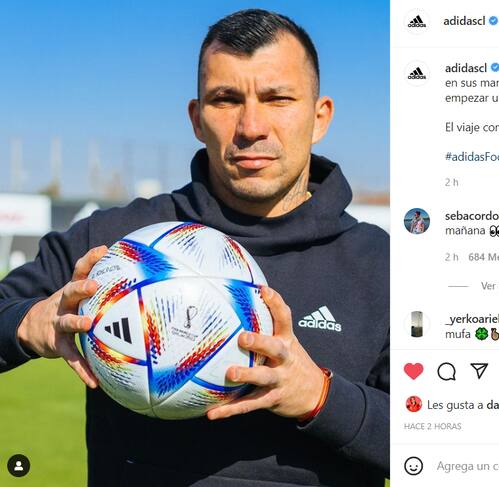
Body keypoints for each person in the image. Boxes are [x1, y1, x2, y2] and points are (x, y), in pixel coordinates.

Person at [0, 9, 389, 487]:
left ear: (319, 116)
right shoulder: (115, 245)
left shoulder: (385, 267)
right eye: (226, 99)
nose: (251, 126)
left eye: (277, 98)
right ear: (196, 118)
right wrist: (26, 324)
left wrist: (321, 397)